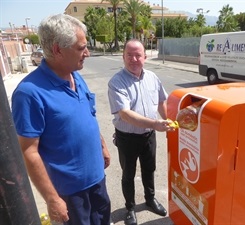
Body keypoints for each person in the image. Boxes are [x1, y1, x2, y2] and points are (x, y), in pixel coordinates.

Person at [11, 14, 111, 225]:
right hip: (70, 193)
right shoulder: (29, 93)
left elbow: (88, 115)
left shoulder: (76, 75)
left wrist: (102, 145)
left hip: (97, 180)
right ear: (57, 50)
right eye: (81, 48)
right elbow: (29, 151)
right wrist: (52, 198)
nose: (88, 53)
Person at [107, 39, 174, 225]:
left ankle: (150, 199)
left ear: (145, 57)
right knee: (128, 174)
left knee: (149, 169)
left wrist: (167, 123)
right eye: (129, 55)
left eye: (138, 55)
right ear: (123, 57)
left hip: (148, 136)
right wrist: (155, 123)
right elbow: (125, 114)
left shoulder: (153, 77)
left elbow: (162, 102)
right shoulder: (116, 82)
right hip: (127, 138)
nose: (134, 59)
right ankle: (130, 208)